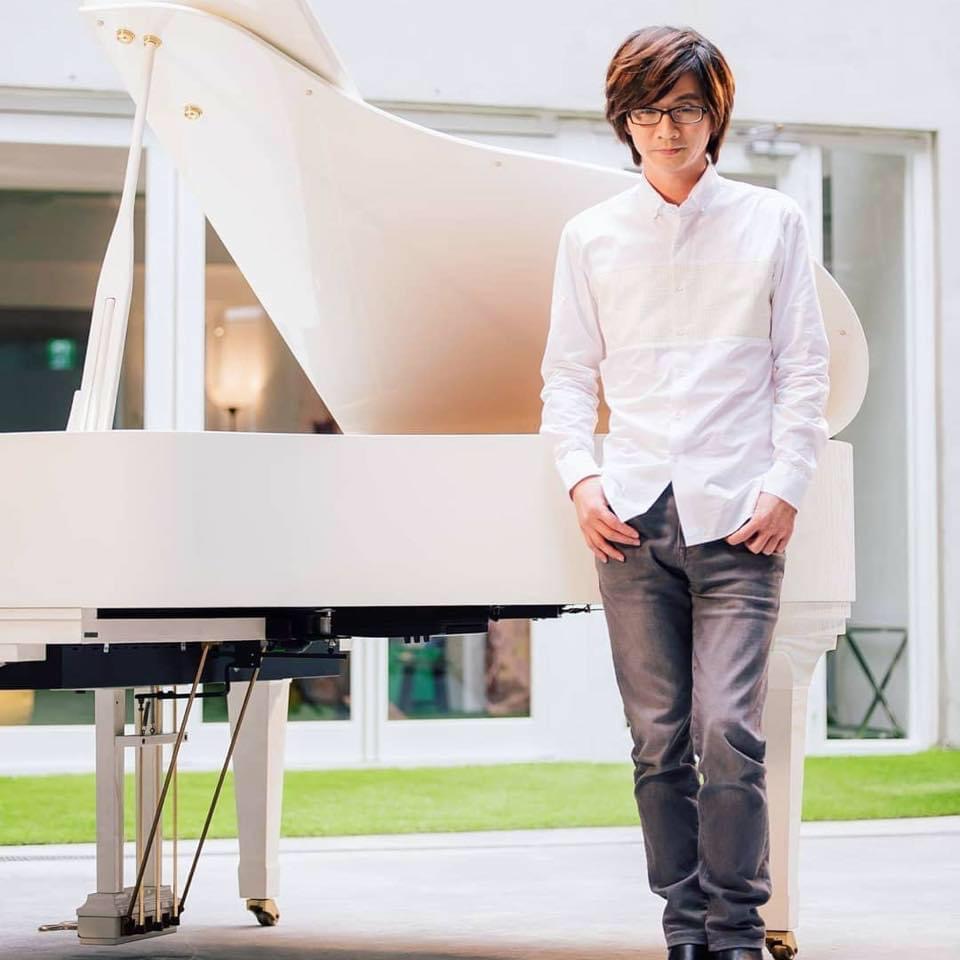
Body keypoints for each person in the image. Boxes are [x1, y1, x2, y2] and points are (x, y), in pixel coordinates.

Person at [538, 25, 830, 960]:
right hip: (630, 517)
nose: (666, 128)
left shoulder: (772, 221)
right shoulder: (590, 236)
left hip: (741, 516)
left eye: (686, 109)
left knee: (728, 730)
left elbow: (804, 368)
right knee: (657, 739)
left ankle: (735, 928)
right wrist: (580, 478)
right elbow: (567, 375)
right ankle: (684, 925)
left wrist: (787, 485)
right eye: (647, 111)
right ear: (624, 121)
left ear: (716, 117)